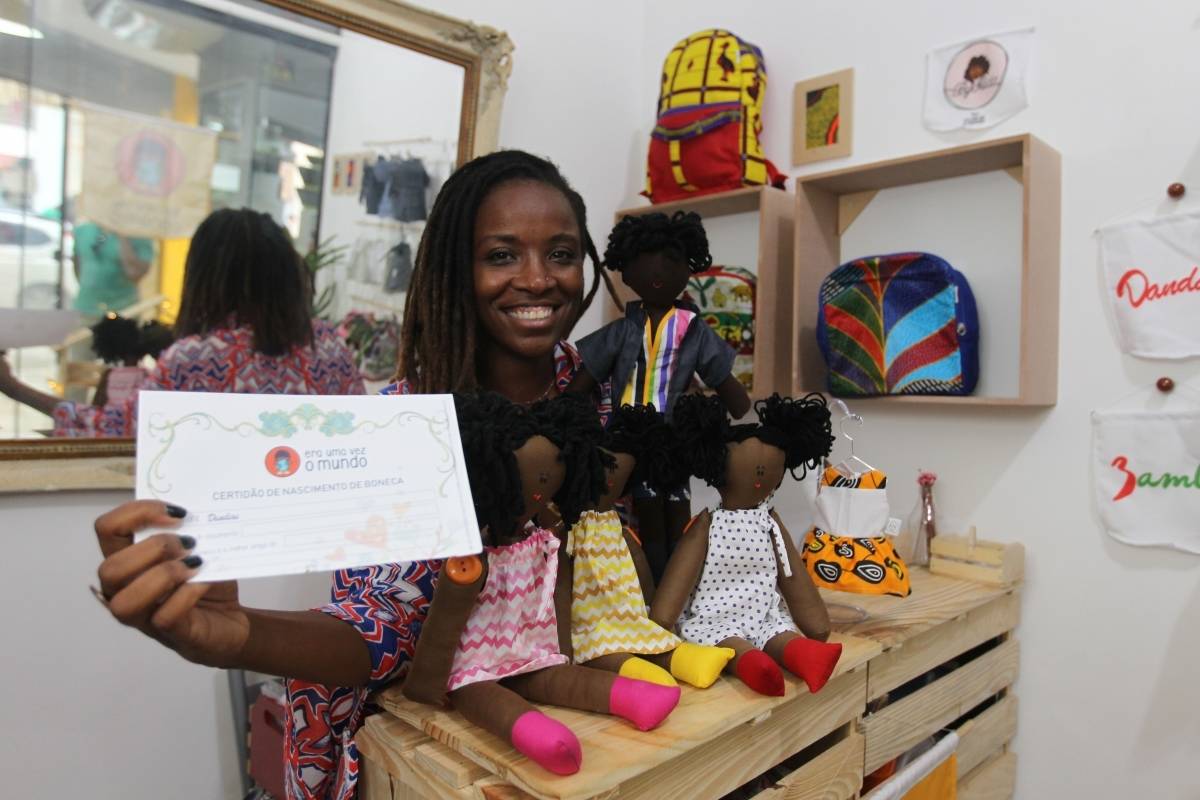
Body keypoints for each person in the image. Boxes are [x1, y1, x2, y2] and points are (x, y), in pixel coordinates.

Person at [86, 151, 608, 800]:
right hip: (439, 752)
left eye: (560, 254)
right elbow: (383, 623)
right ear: (455, 268)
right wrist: (240, 636)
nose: (537, 278)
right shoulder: (405, 424)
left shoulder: (600, 397)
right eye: (501, 255)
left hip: (601, 723)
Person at [0, 208, 366, 435]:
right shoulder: (329, 347)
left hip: (221, 524)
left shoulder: (196, 359)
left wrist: (14, 388)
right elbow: (361, 429)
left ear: (206, 276)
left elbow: (114, 429)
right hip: (310, 521)